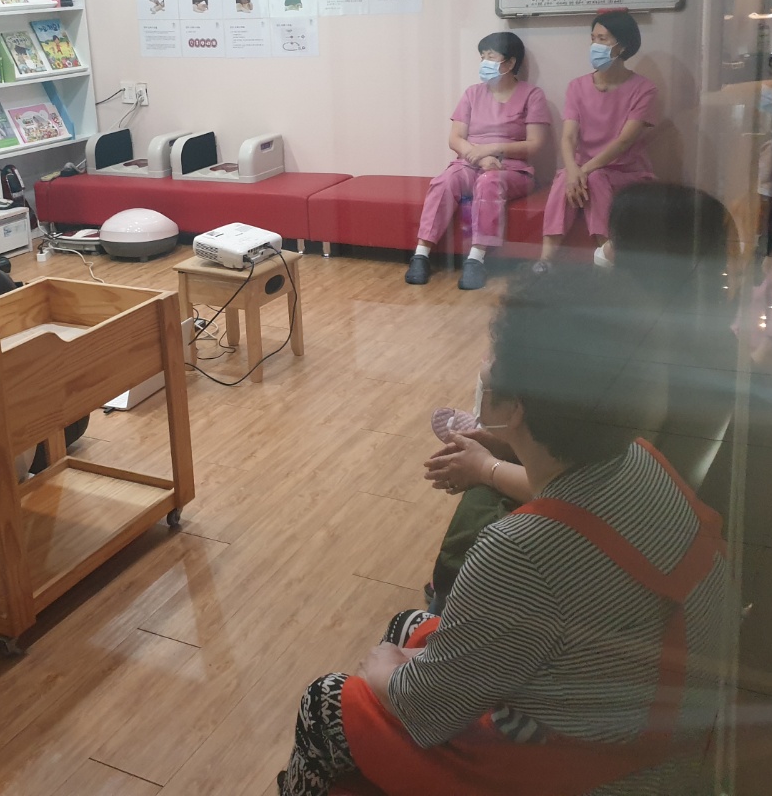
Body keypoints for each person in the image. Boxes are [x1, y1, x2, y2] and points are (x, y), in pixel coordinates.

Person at [279, 267, 728, 796]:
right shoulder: (639, 461)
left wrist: (384, 671)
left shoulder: (517, 552)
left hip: (603, 773)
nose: (484, 364)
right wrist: (491, 463)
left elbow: (426, 707)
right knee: (406, 625)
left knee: (325, 701)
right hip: (656, 725)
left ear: (516, 406)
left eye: (495, 358)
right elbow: (569, 512)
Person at [425, 182, 738, 615]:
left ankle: (448, 603)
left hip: (615, 532)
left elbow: (593, 490)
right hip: (656, 512)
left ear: (641, 256)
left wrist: (486, 468)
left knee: (477, 500)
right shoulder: (706, 336)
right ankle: (497, 434)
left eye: (614, 240)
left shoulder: (640, 351)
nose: (604, 249)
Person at [406, 32, 551, 290]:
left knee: (489, 182)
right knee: (445, 181)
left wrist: (493, 149)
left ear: (510, 62)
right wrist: (480, 156)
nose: (484, 62)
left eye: (490, 56)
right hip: (470, 162)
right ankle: (421, 254)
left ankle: (476, 259)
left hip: (512, 169)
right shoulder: (472, 93)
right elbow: (455, 138)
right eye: (482, 56)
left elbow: (535, 144)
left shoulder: (532, 95)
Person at [535, 11, 656, 273]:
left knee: (595, 177)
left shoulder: (644, 89)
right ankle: (544, 262)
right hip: (585, 169)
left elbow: (624, 141)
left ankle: (608, 258)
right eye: (593, 38)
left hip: (626, 171)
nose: (595, 45)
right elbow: (568, 137)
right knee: (564, 177)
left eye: (602, 39)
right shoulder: (577, 86)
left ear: (622, 46)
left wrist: (583, 171)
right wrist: (573, 171)